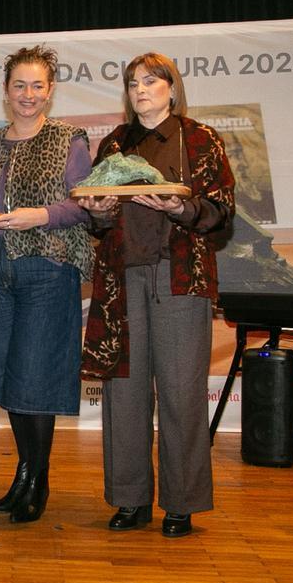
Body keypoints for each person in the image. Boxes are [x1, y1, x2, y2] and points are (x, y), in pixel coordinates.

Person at [79, 52, 235, 538]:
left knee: (181, 393)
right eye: (132, 83)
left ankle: (181, 503)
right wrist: (100, 212)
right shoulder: (113, 144)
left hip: (179, 280)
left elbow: (220, 211)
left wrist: (180, 207)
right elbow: (96, 221)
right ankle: (130, 500)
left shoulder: (199, 138)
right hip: (122, 280)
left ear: (171, 87)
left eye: (151, 81)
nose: (140, 89)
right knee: (123, 392)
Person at [0, 45, 94, 523]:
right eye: (20, 85)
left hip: (47, 268)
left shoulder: (68, 140)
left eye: (38, 85)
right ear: (5, 90)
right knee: (8, 378)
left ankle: (38, 480)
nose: (28, 95)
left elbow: (86, 204)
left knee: (35, 377)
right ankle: (24, 473)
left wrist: (44, 214)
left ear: (51, 91)